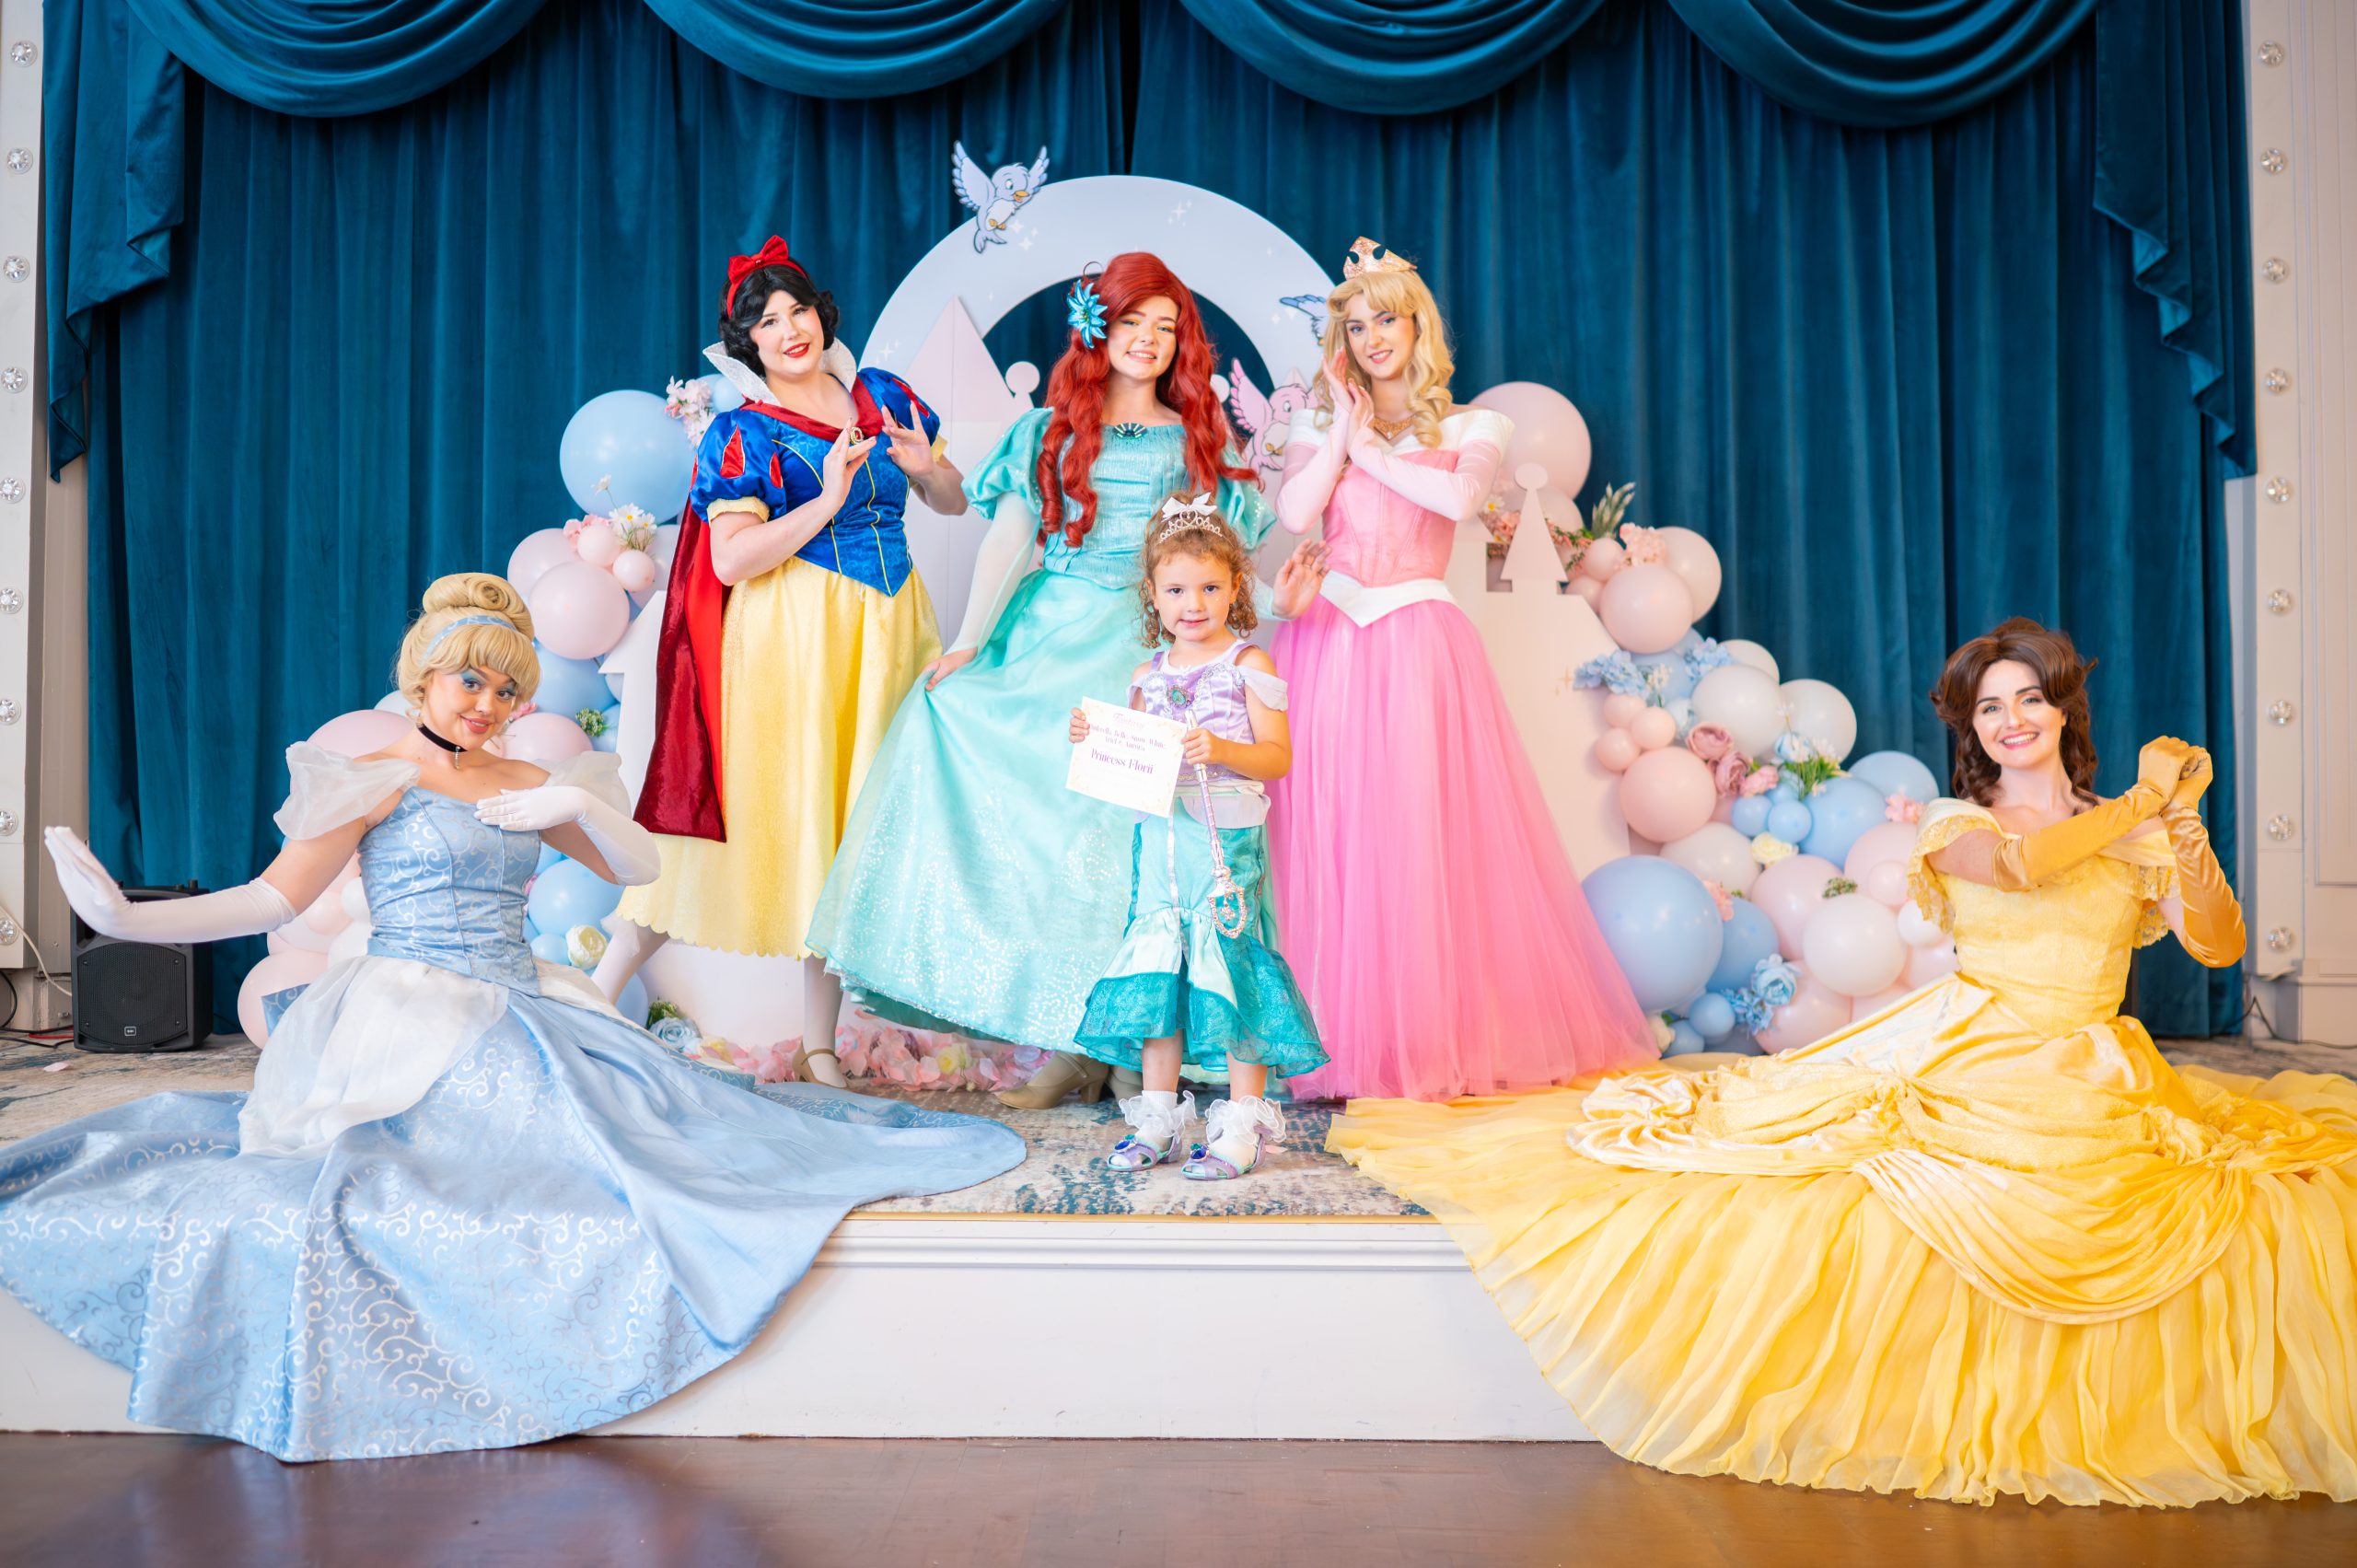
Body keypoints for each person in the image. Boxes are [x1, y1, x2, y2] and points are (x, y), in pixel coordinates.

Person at [1329, 618, 2357, 1506]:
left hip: (2096, 1067)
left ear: (2061, 709)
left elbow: (2217, 942)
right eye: (1989, 707)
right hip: (1980, 1051)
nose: (2010, 720)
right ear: (1972, 729)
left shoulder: (2122, 829)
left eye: (2028, 699)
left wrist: (2179, 822)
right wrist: (2140, 803)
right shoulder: (1960, 824)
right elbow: (2022, 868)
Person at [0, 575, 1022, 1462]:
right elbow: (274, 896)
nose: (489, 706)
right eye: (470, 683)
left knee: (664, 1135)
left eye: (507, 690)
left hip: (525, 995)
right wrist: (126, 919)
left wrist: (576, 808)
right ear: (423, 677)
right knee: (434, 1166)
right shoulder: (375, 776)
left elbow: (641, 866)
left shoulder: (532, 778)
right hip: (407, 1005)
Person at [807, 252, 1320, 1108]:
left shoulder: (1197, 440)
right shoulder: (1049, 430)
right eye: (1133, 322)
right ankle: (1065, 1040)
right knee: (1027, 815)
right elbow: (1009, 539)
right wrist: (969, 645)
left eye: (1166, 326)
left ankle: (1123, 1048)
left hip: (1144, 654)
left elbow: (1219, 567)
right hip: (1048, 638)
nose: (1149, 340)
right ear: (1098, 329)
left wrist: (1280, 604)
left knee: (1127, 849)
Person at [1269, 239, 1655, 1099]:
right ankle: (1332, 1039)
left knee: (1415, 838)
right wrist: (1340, 429)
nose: (1373, 338)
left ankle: (1419, 1041)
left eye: (1387, 320)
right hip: (1327, 638)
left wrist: (1368, 450)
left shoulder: (1473, 425)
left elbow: (1457, 499)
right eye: (1356, 325)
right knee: (1331, 839)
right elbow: (1295, 512)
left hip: (1415, 638)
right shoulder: (1320, 425)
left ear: (1418, 326)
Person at [596, 238, 964, 1087]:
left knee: (847, 829)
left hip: (891, 633)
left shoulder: (882, 395)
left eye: (798, 309)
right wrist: (827, 499)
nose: (790, 329)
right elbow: (730, 562)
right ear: (747, 342)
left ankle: (819, 1043)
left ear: (821, 315)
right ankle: (593, 995)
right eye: (767, 321)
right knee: (767, 816)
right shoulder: (743, 432)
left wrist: (928, 470)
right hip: (792, 644)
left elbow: (950, 499)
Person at [1068, 495, 1324, 1179]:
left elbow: (1278, 757)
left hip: (1225, 846)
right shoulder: (1146, 677)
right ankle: (1157, 1120)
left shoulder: (1250, 664)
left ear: (1236, 587)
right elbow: (1132, 767)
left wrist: (1222, 747)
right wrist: (1094, 740)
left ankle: (1241, 1126)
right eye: (1177, 589)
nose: (1194, 603)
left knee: (1230, 966)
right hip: (1161, 847)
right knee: (1162, 970)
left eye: (1210, 587)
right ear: (1153, 595)